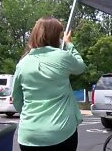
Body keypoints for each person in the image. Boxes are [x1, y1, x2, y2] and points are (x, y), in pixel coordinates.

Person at [12, 16, 86, 151]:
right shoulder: (62, 56)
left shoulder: (22, 63)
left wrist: (31, 117)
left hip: (29, 134)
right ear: (54, 37)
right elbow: (80, 66)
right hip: (60, 132)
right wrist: (69, 44)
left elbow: (17, 99)